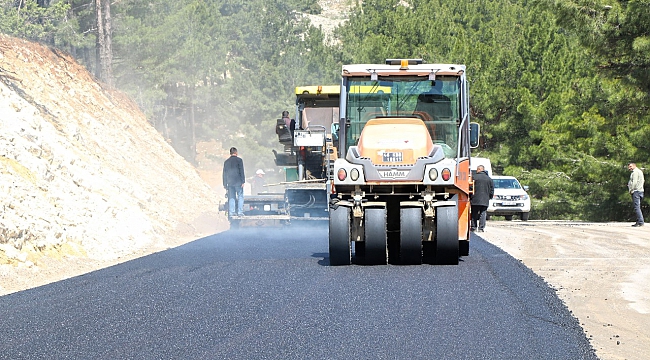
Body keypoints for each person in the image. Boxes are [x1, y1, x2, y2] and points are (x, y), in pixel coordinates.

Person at [471, 164, 494, 232]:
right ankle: (481, 228)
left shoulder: (474, 177)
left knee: (474, 213)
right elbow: (492, 189)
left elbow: (470, 187)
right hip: (485, 199)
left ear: (479, 169)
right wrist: (490, 197)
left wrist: (470, 196)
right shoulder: (489, 179)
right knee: (483, 213)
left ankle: (473, 227)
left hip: (475, 198)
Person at [223, 147, 245, 216]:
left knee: (231, 197)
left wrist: (224, 183)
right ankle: (240, 212)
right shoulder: (239, 160)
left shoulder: (226, 162)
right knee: (240, 196)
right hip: (238, 182)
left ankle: (232, 212)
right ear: (236, 153)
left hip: (230, 183)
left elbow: (224, 173)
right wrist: (243, 181)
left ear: (230, 153)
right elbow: (241, 171)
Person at [627, 162, 645, 227]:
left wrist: (631, 190)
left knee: (636, 207)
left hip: (636, 191)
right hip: (640, 191)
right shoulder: (640, 171)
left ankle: (640, 222)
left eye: (630, 166)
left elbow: (634, 182)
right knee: (637, 207)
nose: (629, 168)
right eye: (629, 167)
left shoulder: (635, 172)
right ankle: (638, 221)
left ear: (634, 166)